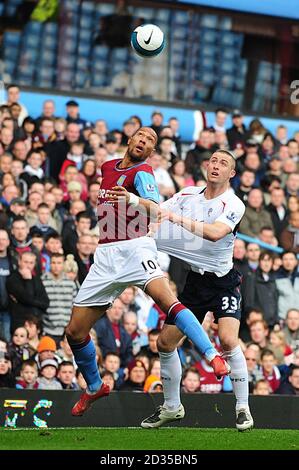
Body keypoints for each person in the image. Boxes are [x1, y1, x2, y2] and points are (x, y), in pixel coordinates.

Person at [65, 127, 229, 417]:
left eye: (151, 140)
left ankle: (212, 354)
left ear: (152, 151)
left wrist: (131, 200)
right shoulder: (106, 167)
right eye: (141, 135)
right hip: (105, 254)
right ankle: (94, 386)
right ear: (130, 139)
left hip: (135, 247)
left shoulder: (143, 173)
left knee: (168, 302)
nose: (144, 141)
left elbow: (154, 208)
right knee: (75, 332)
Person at [141, 149, 253, 431]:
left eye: (223, 163)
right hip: (195, 283)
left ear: (232, 174)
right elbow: (158, 211)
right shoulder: (188, 194)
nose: (216, 166)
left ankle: (242, 408)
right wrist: (135, 202)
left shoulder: (234, 204)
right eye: (213, 160)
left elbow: (215, 233)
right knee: (165, 343)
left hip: (223, 280)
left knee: (228, 340)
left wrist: (176, 220)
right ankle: (171, 407)